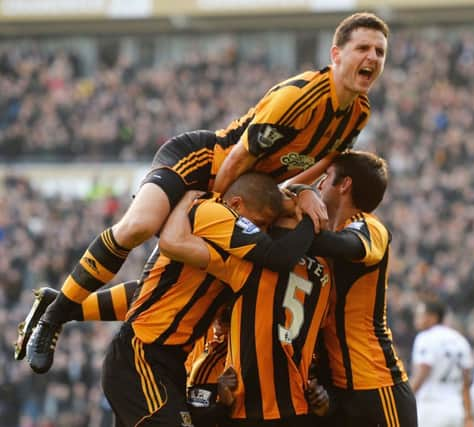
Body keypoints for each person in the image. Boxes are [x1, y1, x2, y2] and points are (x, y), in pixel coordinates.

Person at [26, 11, 390, 374]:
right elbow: (238, 157)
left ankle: (65, 305)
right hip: (204, 164)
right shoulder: (300, 98)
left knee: (189, 280)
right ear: (336, 54)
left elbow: (315, 164)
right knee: (139, 226)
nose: (372, 58)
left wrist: (301, 190)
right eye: (363, 48)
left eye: (380, 51)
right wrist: (217, 206)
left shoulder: (358, 113)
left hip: (247, 190)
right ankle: (53, 318)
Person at [101, 172, 319, 426]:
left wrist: (305, 192)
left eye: (266, 228)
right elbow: (170, 244)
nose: (260, 234)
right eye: (258, 224)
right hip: (140, 357)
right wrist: (310, 206)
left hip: (167, 363)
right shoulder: (207, 223)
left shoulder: (228, 253)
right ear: (235, 206)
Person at [161, 190, 333, 426]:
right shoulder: (326, 271)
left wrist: (182, 202)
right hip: (298, 409)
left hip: (247, 411)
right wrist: (307, 195)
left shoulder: (246, 266)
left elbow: (172, 244)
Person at [308, 151, 417, 427]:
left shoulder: (371, 226)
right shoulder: (332, 231)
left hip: (377, 384)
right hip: (340, 389)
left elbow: (347, 246)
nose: (319, 184)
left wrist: (296, 220)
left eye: (327, 176)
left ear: (344, 185)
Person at [411, 298, 474, 427]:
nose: (416, 319)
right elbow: (466, 383)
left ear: (433, 317)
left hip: (431, 407)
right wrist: (468, 416)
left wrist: (404, 399)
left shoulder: (425, 337)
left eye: (420, 315)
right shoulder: (460, 340)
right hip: (455, 409)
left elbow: (423, 370)